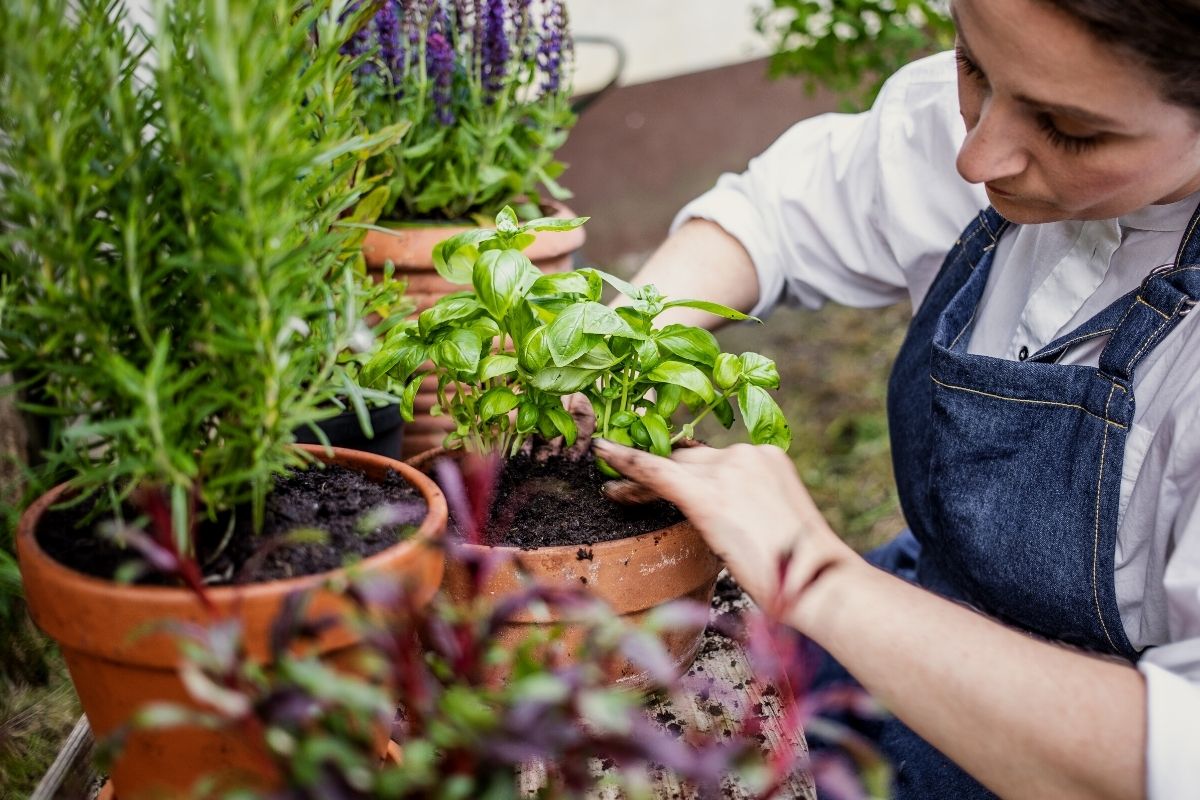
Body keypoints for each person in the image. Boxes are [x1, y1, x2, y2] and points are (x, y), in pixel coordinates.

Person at [593, 1, 1200, 798]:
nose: (977, 157)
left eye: (1068, 130)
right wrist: (616, 351)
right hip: (898, 625)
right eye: (971, 65)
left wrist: (813, 574)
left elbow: (1175, 757)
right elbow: (774, 217)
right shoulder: (1000, 109)